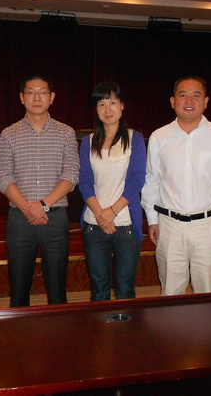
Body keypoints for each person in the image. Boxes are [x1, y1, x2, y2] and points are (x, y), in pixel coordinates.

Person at [141, 76, 211, 296]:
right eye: (183, 95)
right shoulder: (159, 137)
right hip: (169, 226)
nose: (189, 100)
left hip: (208, 226)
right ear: (172, 101)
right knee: (170, 291)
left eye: (196, 95)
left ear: (205, 101)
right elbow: (152, 181)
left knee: (208, 291)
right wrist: (152, 219)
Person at [0, 72, 79, 307]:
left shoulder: (66, 133)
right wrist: (27, 208)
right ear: (22, 97)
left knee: (58, 290)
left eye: (42, 92)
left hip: (56, 218)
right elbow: (3, 175)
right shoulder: (9, 134)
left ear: (52, 97)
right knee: (19, 289)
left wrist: (43, 205)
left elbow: (71, 174)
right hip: (20, 218)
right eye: (31, 92)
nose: (37, 97)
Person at [78, 81, 146, 301]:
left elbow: (136, 180)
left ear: (122, 105)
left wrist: (112, 212)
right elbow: (84, 181)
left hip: (125, 224)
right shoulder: (88, 142)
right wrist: (101, 214)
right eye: (101, 104)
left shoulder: (135, 138)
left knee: (125, 288)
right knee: (99, 288)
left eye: (112, 103)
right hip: (94, 224)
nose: (107, 109)